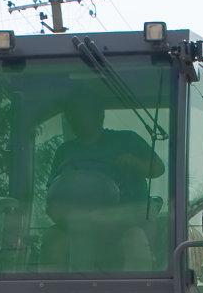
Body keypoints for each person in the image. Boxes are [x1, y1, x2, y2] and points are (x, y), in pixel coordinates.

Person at [44, 89, 166, 271]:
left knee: (135, 238)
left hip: (128, 216)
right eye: (72, 112)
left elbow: (158, 168)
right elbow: (53, 195)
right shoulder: (65, 151)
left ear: (99, 114)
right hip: (80, 222)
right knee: (53, 239)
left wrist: (135, 162)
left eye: (83, 110)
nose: (76, 116)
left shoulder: (127, 140)